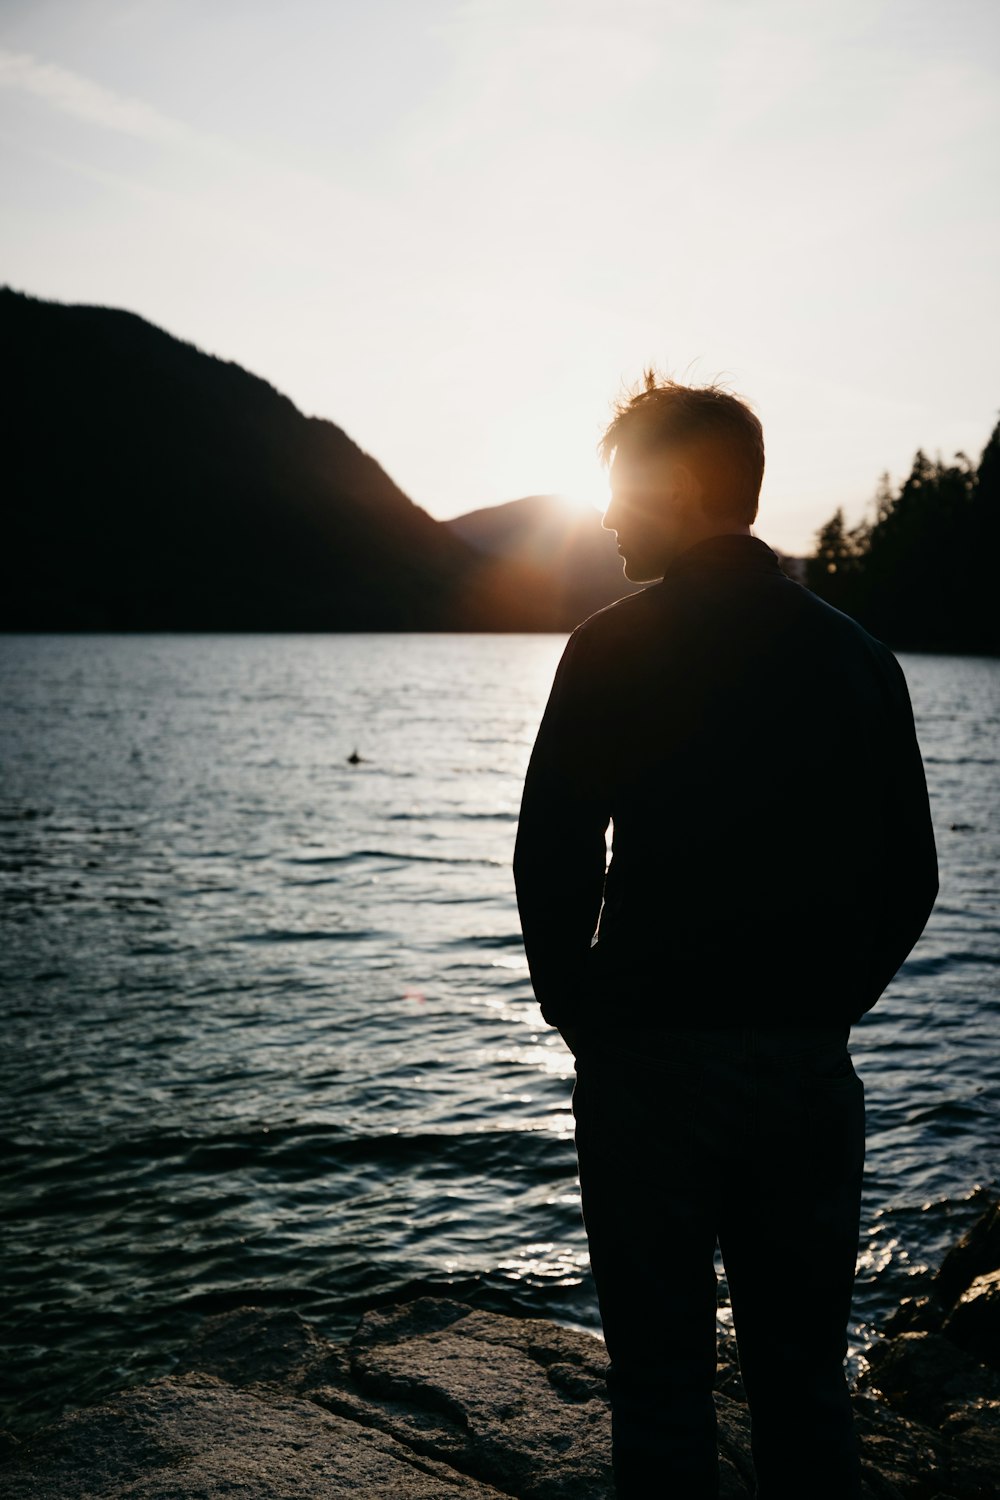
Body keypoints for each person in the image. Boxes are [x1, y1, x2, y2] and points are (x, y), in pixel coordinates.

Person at [512, 374, 938, 1499]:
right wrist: (822, 1006)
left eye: (621, 492)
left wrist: (581, 1013)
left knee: (659, 1388)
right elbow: (910, 877)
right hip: (803, 1069)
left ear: (689, 488)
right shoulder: (855, 657)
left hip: (646, 1066)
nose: (603, 517)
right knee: (802, 1381)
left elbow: (552, 853)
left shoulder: (611, 647)